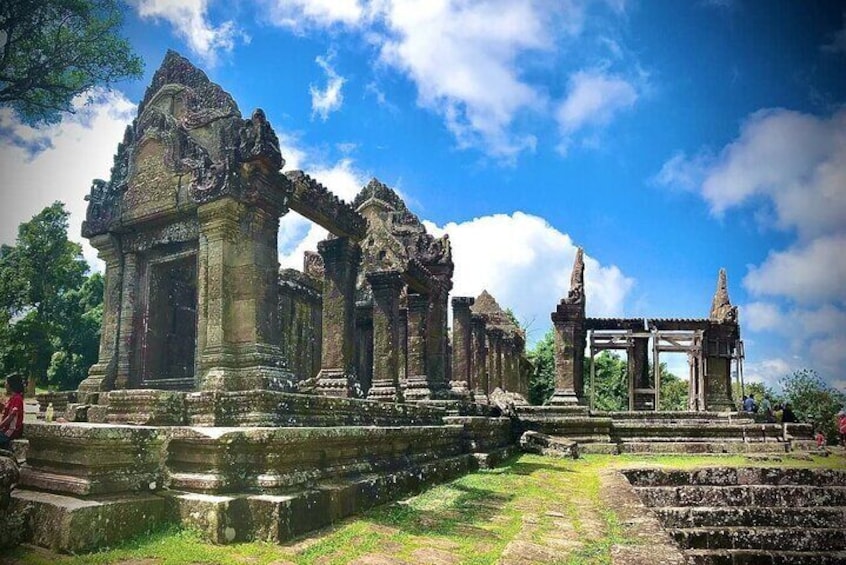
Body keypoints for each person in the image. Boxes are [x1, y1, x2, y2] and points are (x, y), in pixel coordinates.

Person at [0, 373, 25, 451]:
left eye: (6, 383)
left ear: (11, 385)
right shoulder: (12, 398)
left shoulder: (17, 399)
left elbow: (11, 416)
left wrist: (0, 426)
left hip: (10, 432)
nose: (5, 385)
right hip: (4, 430)